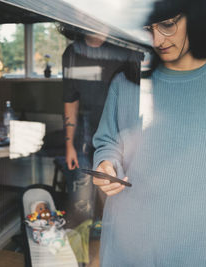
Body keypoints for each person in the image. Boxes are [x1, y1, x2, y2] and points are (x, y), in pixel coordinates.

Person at [92, 0, 206, 266]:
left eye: (168, 24)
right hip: (124, 243)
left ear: (195, 15)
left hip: (199, 248)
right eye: (147, 28)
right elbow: (108, 141)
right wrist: (106, 164)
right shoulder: (126, 80)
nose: (157, 38)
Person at [61, 29, 142, 223]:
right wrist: (69, 144)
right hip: (85, 134)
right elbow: (70, 100)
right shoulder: (72, 53)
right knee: (81, 200)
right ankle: (83, 243)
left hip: (118, 133)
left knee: (115, 198)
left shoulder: (123, 49)